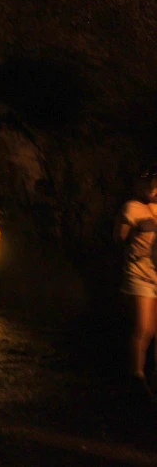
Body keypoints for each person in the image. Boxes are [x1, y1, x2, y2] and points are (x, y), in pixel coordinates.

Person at [114, 164, 157, 401]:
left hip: (156, 273)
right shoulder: (133, 208)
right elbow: (119, 238)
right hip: (140, 273)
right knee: (144, 328)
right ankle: (136, 377)